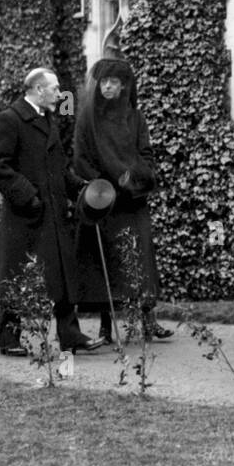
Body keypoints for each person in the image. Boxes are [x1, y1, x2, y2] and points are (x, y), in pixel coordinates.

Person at [0, 67, 102, 356]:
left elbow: (59, 169)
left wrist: (82, 189)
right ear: (38, 90)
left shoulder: (47, 120)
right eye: (56, 89)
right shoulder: (10, 120)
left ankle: (70, 336)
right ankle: (9, 339)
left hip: (53, 215)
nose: (60, 95)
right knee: (17, 274)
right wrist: (28, 196)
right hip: (26, 216)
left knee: (61, 272)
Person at [73, 55, 171, 343]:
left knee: (140, 260)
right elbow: (80, 158)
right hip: (104, 202)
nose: (107, 87)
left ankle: (148, 319)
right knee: (105, 263)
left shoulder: (135, 117)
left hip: (133, 200)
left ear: (124, 86)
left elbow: (146, 155)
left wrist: (134, 176)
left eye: (114, 82)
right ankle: (105, 325)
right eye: (104, 81)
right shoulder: (87, 118)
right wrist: (104, 185)